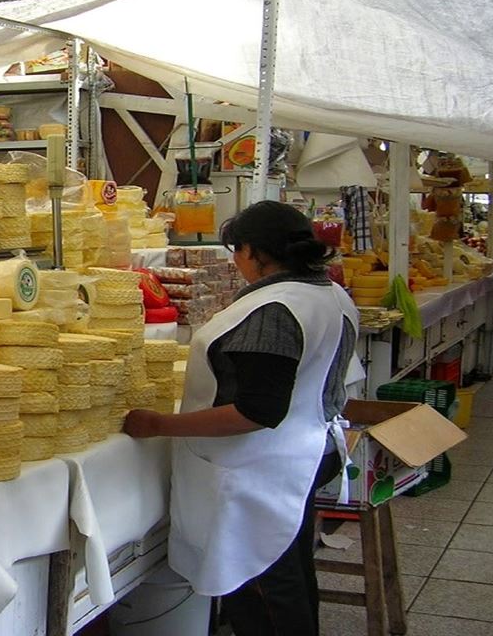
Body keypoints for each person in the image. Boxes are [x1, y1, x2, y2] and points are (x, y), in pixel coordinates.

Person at [124, 201, 358, 636]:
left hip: (260, 469)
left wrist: (159, 425)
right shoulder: (329, 293)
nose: (235, 260)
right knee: (287, 573)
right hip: (303, 453)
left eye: (236, 250)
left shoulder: (273, 312)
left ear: (254, 251)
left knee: (265, 589)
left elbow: (257, 411)